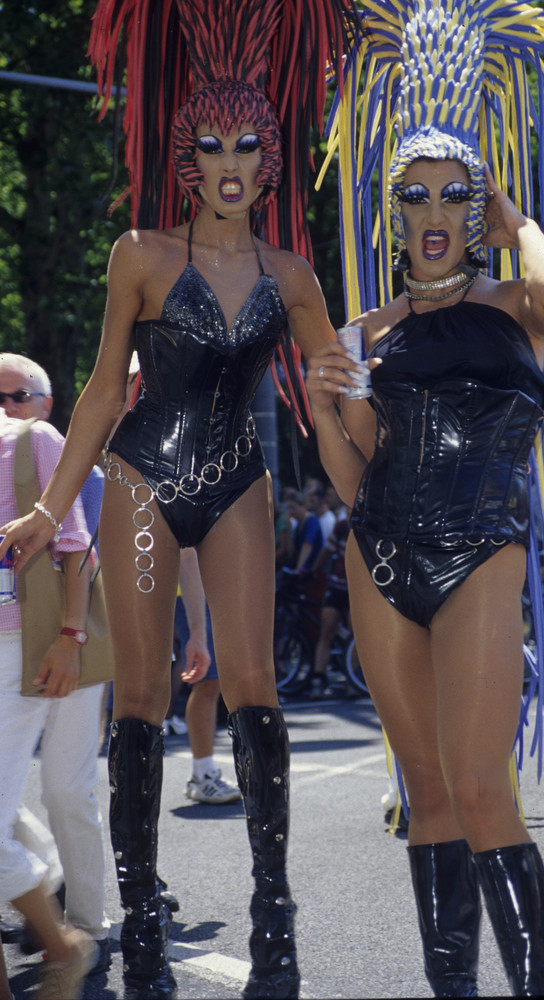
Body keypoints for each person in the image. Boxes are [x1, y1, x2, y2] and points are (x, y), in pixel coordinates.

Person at [0, 2, 354, 997]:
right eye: (211, 143)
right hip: (141, 483)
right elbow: (108, 391)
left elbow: (331, 395)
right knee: (145, 697)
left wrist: (370, 482)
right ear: (187, 157)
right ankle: (141, 905)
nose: (230, 160)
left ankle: (273, 909)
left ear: (271, 158)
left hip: (240, 482)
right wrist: (47, 510)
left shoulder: (292, 274)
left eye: (248, 143)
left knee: (256, 686)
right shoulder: (141, 254)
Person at [306, 1, 544, 995]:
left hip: (482, 548)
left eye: (451, 196)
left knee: (480, 790)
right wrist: (322, 405)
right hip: (379, 553)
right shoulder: (365, 332)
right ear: (393, 210)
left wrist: (518, 223)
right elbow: (355, 478)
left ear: (474, 208)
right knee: (426, 795)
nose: (432, 215)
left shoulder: (515, 302)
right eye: (414, 196)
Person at [0, 354, 112, 977]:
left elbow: (83, 553)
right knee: (10, 798)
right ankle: (47, 891)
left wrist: (71, 635)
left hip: (68, 635)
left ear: (43, 400)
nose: (6, 406)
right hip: (10, 642)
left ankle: (87, 928)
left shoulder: (54, 450)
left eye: (15, 394)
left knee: (68, 787)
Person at [176, 547, 240, 804]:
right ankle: (202, 775)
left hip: (203, 587)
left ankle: (202, 773)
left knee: (210, 680)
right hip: (189, 588)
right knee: (207, 680)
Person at [309, 515, 350, 699]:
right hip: (337, 585)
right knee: (326, 631)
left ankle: (352, 678)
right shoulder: (341, 526)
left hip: (356, 588)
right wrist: (312, 570)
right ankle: (318, 678)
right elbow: (327, 550)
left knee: (356, 635)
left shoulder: (370, 520)